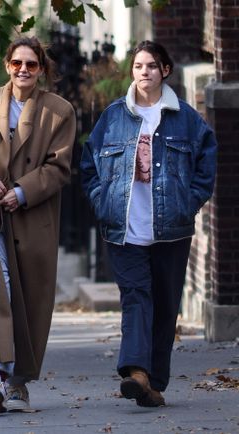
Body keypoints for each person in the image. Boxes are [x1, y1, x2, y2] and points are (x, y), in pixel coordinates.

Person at [80, 40, 217, 408]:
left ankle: (153, 384)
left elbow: (206, 166)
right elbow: (89, 166)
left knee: (165, 301)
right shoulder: (112, 117)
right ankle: (137, 372)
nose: (144, 72)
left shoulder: (186, 118)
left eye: (152, 66)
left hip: (171, 229)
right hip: (123, 228)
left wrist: (188, 203)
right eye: (138, 66)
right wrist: (102, 202)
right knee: (136, 297)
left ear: (165, 71)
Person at [0, 36, 76, 413]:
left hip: (32, 216)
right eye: (17, 63)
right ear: (7, 65)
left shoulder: (60, 111)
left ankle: (17, 379)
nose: (23, 70)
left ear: (41, 69)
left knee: (32, 300)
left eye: (31, 64)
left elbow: (60, 166)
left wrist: (21, 192)